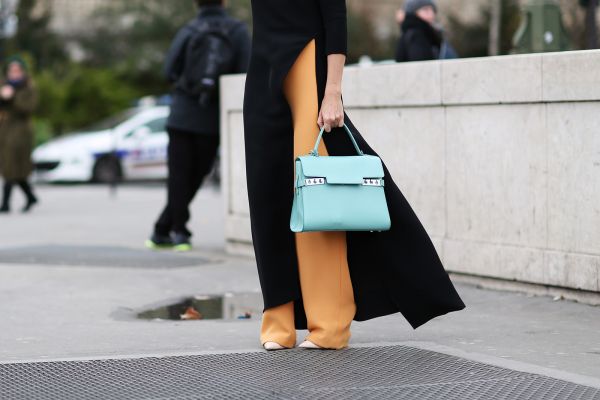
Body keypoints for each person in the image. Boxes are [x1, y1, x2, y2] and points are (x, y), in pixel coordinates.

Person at [243, 0, 465, 351]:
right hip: (262, 68)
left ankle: (329, 324)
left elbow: (335, 16)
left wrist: (333, 92)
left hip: (308, 60)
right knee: (266, 193)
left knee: (316, 195)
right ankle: (278, 322)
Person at [146, 0, 250, 251]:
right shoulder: (237, 31)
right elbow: (244, 72)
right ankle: (174, 230)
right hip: (211, 118)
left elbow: (169, 70)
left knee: (178, 176)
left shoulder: (189, 29)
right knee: (195, 175)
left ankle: (168, 230)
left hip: (181, 114)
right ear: (224, 1)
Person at [0, 56, 38, 214]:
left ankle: (5, 204)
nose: (14, 73)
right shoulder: (4, 86)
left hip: (21, 133)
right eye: (11, 70)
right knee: (13, 169)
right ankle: (30, 197)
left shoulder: (28, 88)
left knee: (12, 167)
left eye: (17, 70)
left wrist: (12, 96)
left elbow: (28, 108)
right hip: (5, 131)